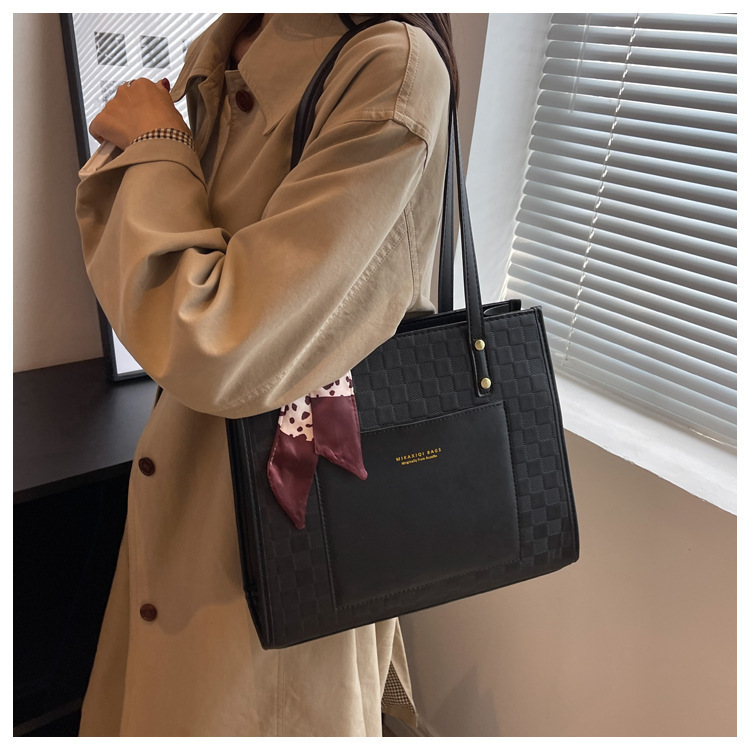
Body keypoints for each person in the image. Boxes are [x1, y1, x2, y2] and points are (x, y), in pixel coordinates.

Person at [75, 13, 455, 737]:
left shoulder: (386, 67)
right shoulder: (237, 40)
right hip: (192, 481)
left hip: (285, 521)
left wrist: (155, 145)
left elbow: (220, 339)